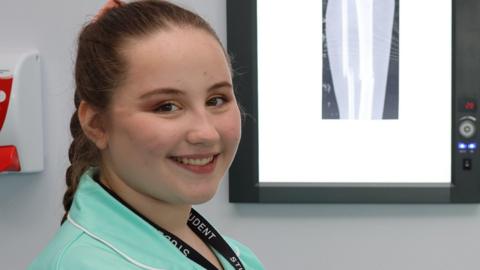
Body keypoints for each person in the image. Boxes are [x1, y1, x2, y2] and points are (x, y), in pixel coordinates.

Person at [28, 0, 264, 269]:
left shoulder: (236, 256)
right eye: (167, 106)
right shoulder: (84, 264)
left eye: (216, 100)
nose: (206, 133)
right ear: (97, 124)